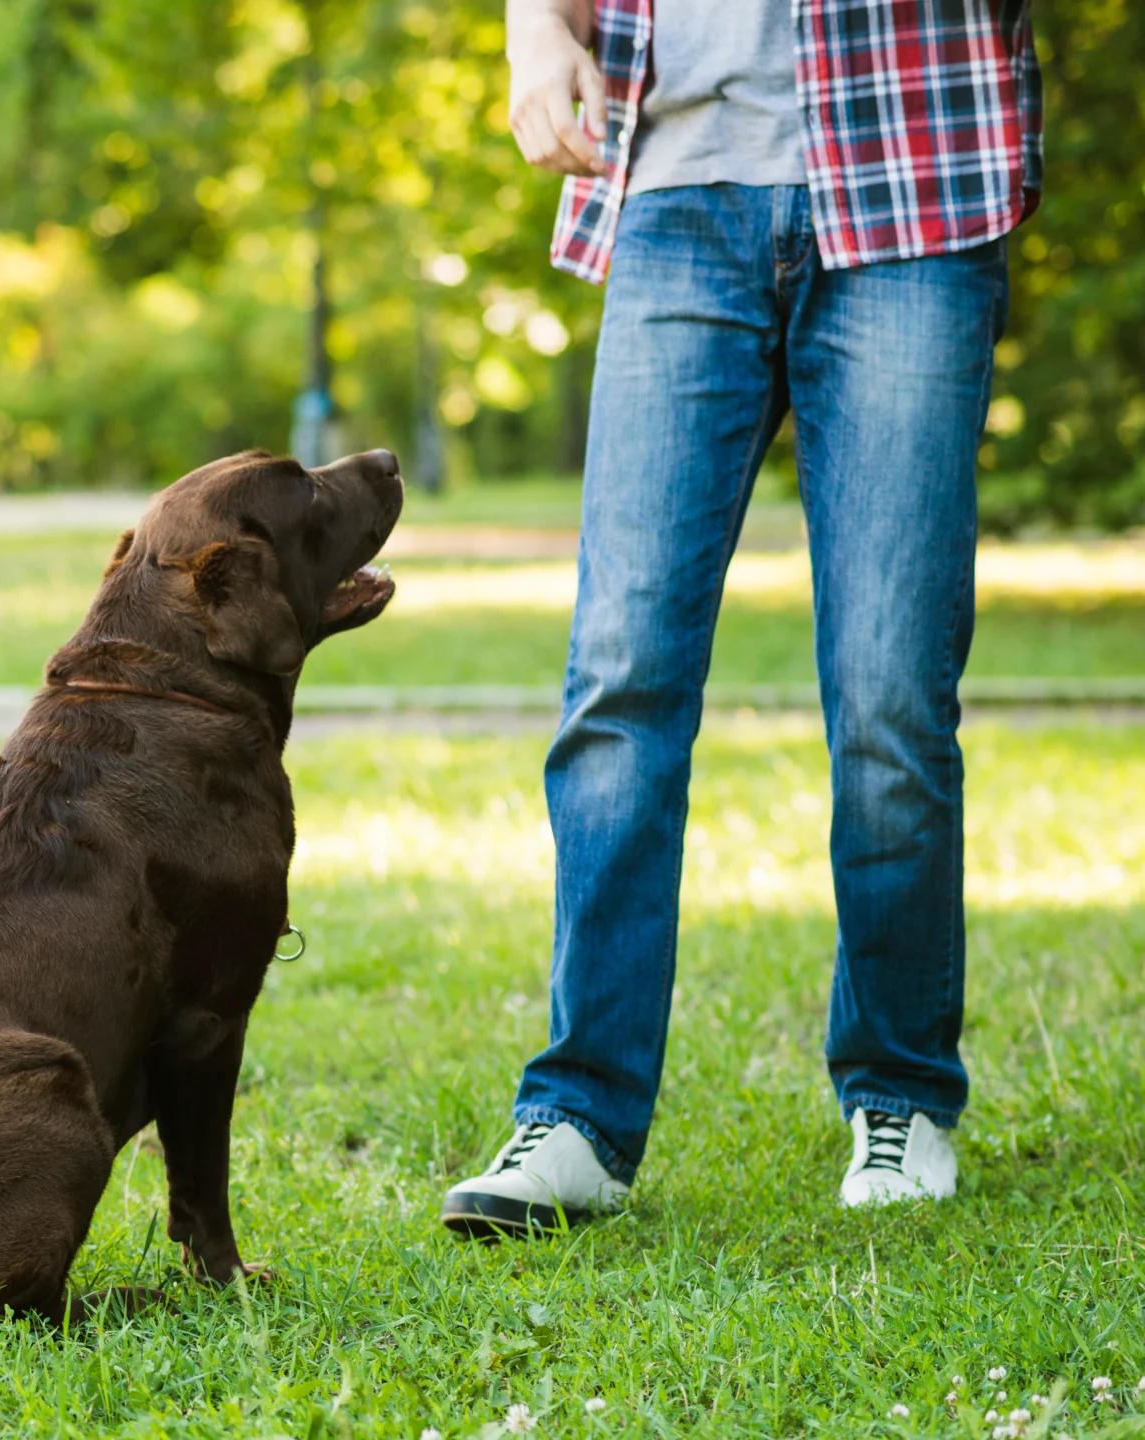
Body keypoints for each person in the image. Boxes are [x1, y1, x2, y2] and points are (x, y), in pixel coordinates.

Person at [440, 0, 1042, 1239]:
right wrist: (532, 31)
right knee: (620, 678)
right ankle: (579, 1117)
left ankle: (899, 1093)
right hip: (673, 183)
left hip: (909, 171)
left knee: (888, 690)